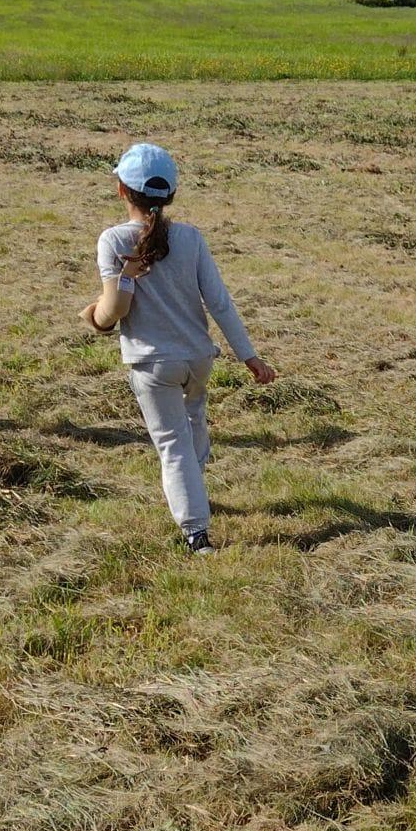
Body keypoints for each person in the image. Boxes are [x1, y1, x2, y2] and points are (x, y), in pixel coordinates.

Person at [80, 143, 277, 554]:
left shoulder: (113, 240)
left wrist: (95, 314)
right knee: (192, 426)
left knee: (173, 447)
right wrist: (249, 355)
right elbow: (219, 302)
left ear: (120, 190)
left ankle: (195, 533)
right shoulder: (191, 237)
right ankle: (194, 485)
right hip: (198, 359)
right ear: (170, 196)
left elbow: (115, 310)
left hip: (153, 364)